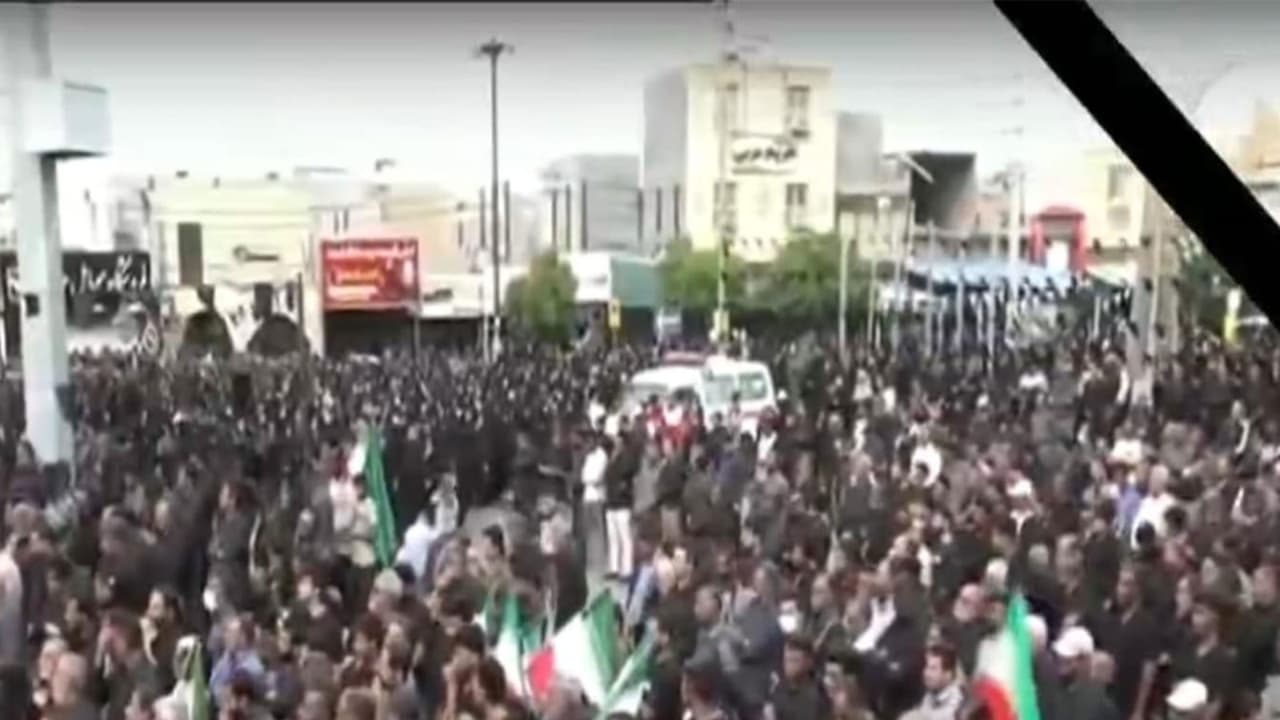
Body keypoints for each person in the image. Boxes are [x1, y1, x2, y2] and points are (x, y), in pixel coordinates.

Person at [1053, 626, 1120, 720]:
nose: (1062, 659)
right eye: (1061, 655)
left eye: (1069, 657)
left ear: (1086, 660)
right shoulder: (1055, 689)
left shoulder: (1100, 702)